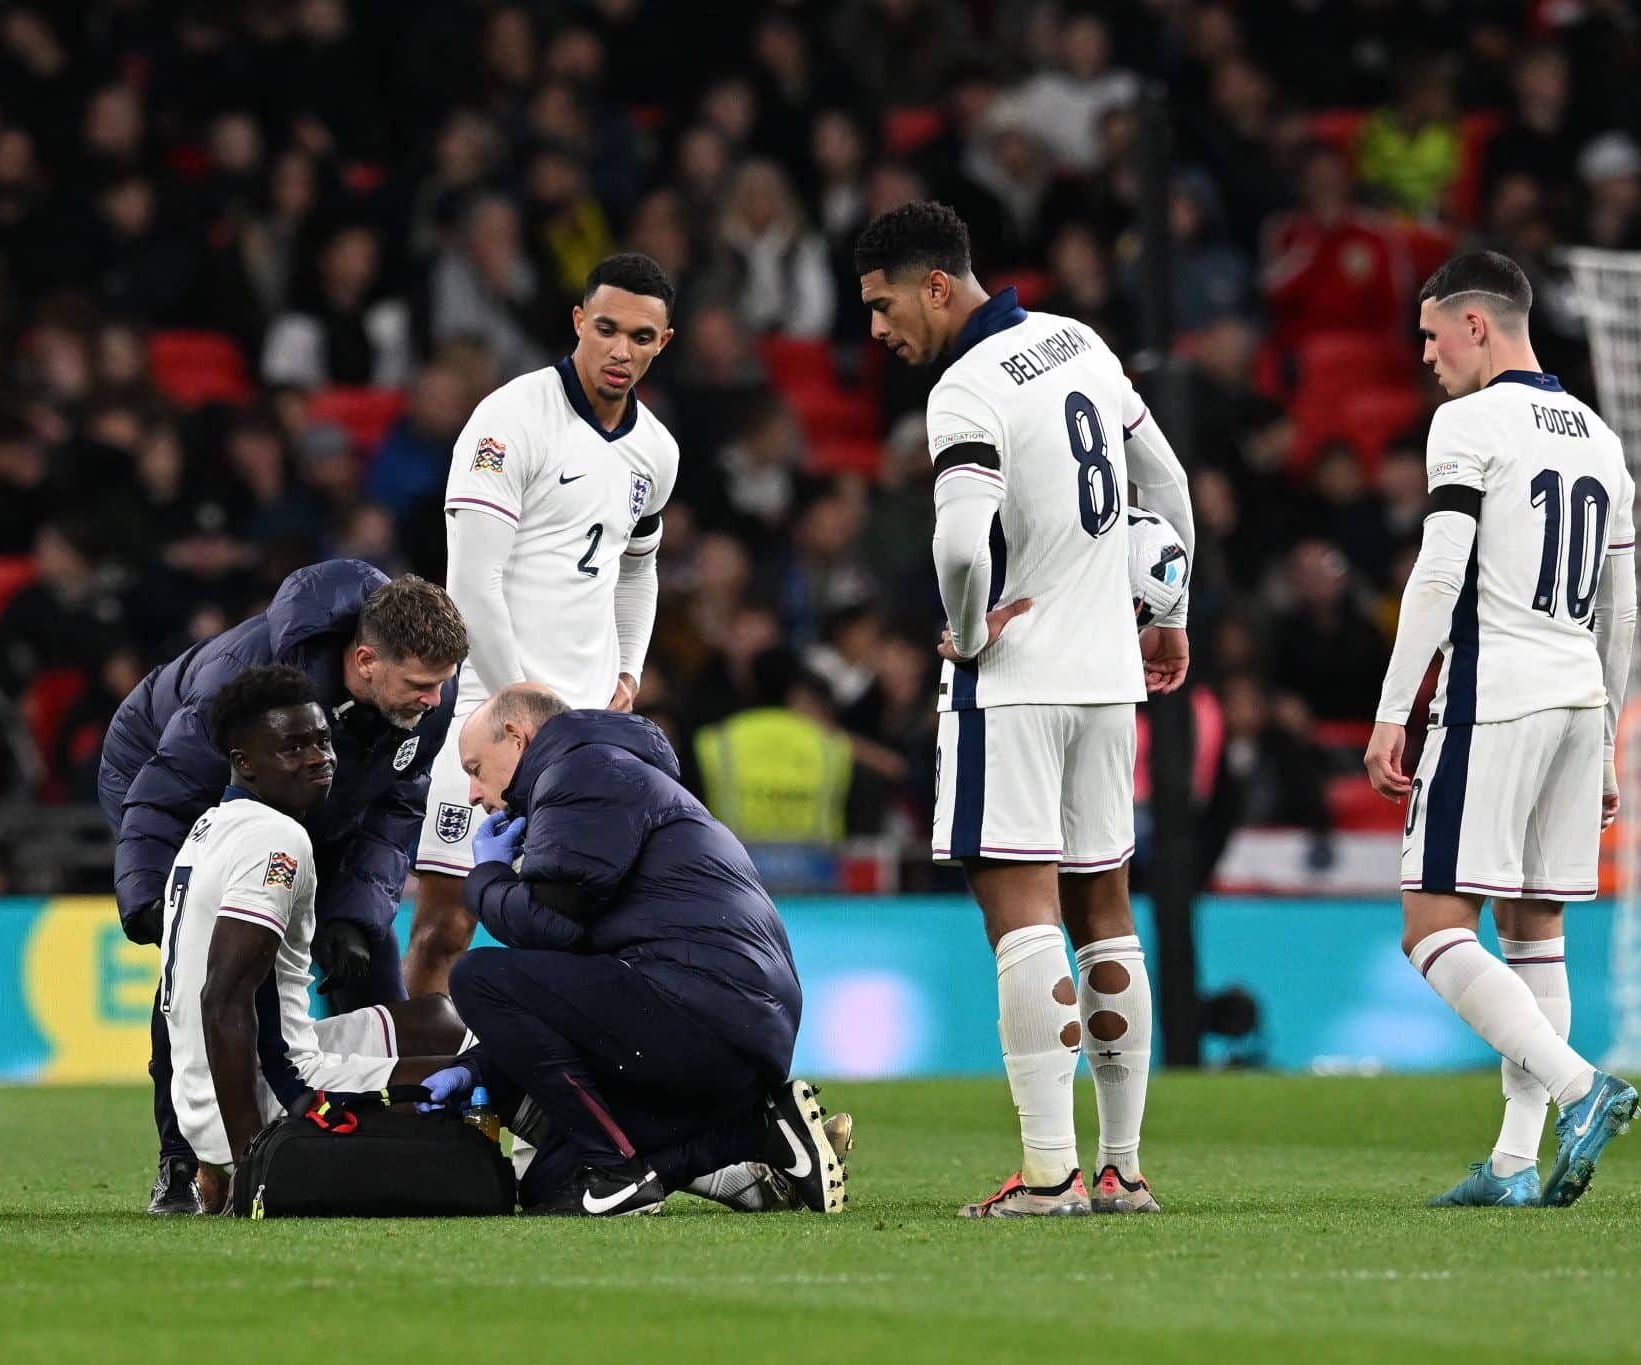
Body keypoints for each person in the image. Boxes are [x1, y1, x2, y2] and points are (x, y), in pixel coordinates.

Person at [853, 201, 1195, 1217]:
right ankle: (1123, 1168)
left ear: (935, 286)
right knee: (1105, 910)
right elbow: (1165, 481)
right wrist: (1168, 609)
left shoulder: (962, 390)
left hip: (1013, 683)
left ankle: (1046, 1173)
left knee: (1020, 915)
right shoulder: (1078, 342)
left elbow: (960, 546)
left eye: (880, 307)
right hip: (1104, 676)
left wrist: (968, 629)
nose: (876, 331)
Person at [1364, 251, 1641, 1209]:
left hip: (1497, 696)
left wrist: (1394, 710)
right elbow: (1624, 610)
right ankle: (1517, 1166)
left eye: (1435, 335)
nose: (1427, 356)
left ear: (1480, 326)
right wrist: (1606, 737)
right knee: (1535, 932)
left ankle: (1580, 1087)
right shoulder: (1601, 437)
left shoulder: (1470, 422)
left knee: (1432, 927)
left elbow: (1439, 578)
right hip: (1575, 695)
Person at [98, 563, 465, 1214]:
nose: (436, 701)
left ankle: (386, 1142)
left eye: (440, 684)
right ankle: (185, 1162)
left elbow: (397, 809)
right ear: (365, 661)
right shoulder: (245, 684)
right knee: (203, 969)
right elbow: (163, 792)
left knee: (367, 950)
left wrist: (355, 913)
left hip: (316, 800)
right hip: (170, 777)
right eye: (420, 685)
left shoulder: (427, 693)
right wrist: (154, 894)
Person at [425, 684, 841, 1217]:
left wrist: (485, 879)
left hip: (704, 1012)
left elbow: (552, 930)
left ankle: (620, 1169)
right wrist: (478, 1070)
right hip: (726, 1022)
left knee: (479, 977)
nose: (473, 793)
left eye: (477, 768)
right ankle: (754, 1134)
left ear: (517, 736)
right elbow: (567, 985)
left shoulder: (581, 773)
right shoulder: (604, 775)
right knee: (551, 1187)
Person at [403, 254, 681, 999]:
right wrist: (519, 698)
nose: (622, 350)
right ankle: (422, 1098)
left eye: (643, 337)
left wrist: (631, 667)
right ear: (578, 323)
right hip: (484, 711)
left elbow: (637, 566)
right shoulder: (510, 419)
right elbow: (470, 584)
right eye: (608, 329)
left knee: (587, 929)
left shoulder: (656, 452)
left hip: (584, 726)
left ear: (664, 342)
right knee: (444, 927)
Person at [162, 666, 467, 1210]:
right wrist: (252, 1156)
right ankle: (579, 1173)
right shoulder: (275, 841)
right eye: (292, 747)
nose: (317, 757)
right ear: (245, 762)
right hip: (270, 1097)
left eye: (323, 740)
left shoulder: (213, 825)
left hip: (220, 1085)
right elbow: (222, 998)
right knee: (496, 1068)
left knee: (437, 1019)